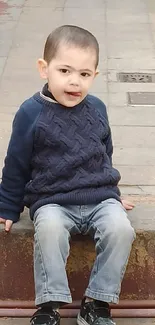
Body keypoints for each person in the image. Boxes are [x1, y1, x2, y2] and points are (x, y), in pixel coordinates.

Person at [0, 25, 135, 325]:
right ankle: (49, 306)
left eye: (85, 74)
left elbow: (103, 152)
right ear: (44, 69)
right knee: (48, 230)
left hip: (100, 197)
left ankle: (96, 303)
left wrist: (113, 193)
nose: (74, 81)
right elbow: (16, 163)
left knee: (121, 229)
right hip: (53, 200)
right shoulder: (30, 113)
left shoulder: (97, 108)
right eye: (65, 71)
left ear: (95, 76)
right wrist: (8, 207)